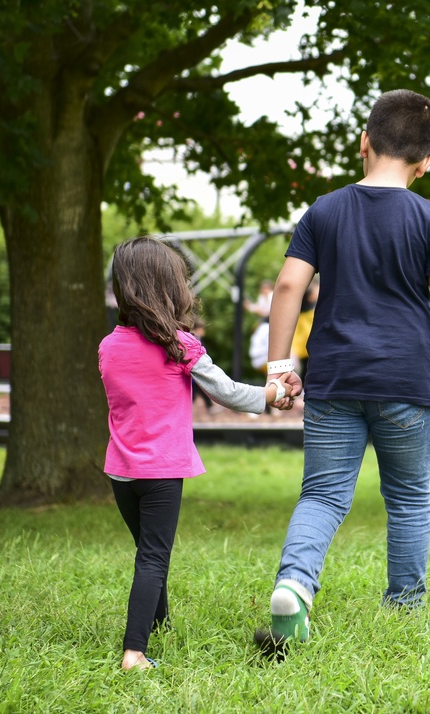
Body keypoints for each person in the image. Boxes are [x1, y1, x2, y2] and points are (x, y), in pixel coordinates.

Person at [257, 89, 430, 650]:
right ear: (425, 163)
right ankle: (404, 609)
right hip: (406, 384)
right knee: (408, 497)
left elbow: (289, 285)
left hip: (334, 381)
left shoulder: (324, 210)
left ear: (364, 141)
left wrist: (280, 364)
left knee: (323, 496)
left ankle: (294, 584)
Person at [99, 236, 301, 671]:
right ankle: (134, 652)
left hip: (121, 471)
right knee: (154, 556)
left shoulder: (109, 346)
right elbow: (226, 392)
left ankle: (160, 625)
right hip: (161, 472)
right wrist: (272, 393)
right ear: (165, 289)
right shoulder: (179, 345)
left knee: (148, 551)